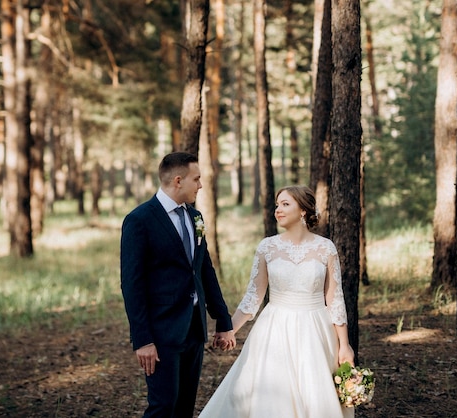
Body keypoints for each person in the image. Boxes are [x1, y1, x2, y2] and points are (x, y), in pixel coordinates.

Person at [198, 185, 355, 418]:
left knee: (314, 392)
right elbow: (253, 297)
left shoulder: (325, 248)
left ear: (303, 210)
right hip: (275, 329)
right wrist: (229, 329)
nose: (277, 210)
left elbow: (335, 300)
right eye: (276, 205)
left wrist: (344, 345)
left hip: (315, 330)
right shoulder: (267, 247)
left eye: (285, 204)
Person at [120, 151, 236, 418]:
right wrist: (143, 340)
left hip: (194, 330)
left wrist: (222, 319)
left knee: (184, 407)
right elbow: (131, 284)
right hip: (161, 332)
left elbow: (205, 270)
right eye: (197, 179)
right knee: (163, 407)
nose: (201, 185)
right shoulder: (140, 220)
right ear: (178, 180)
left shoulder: (195, 217)